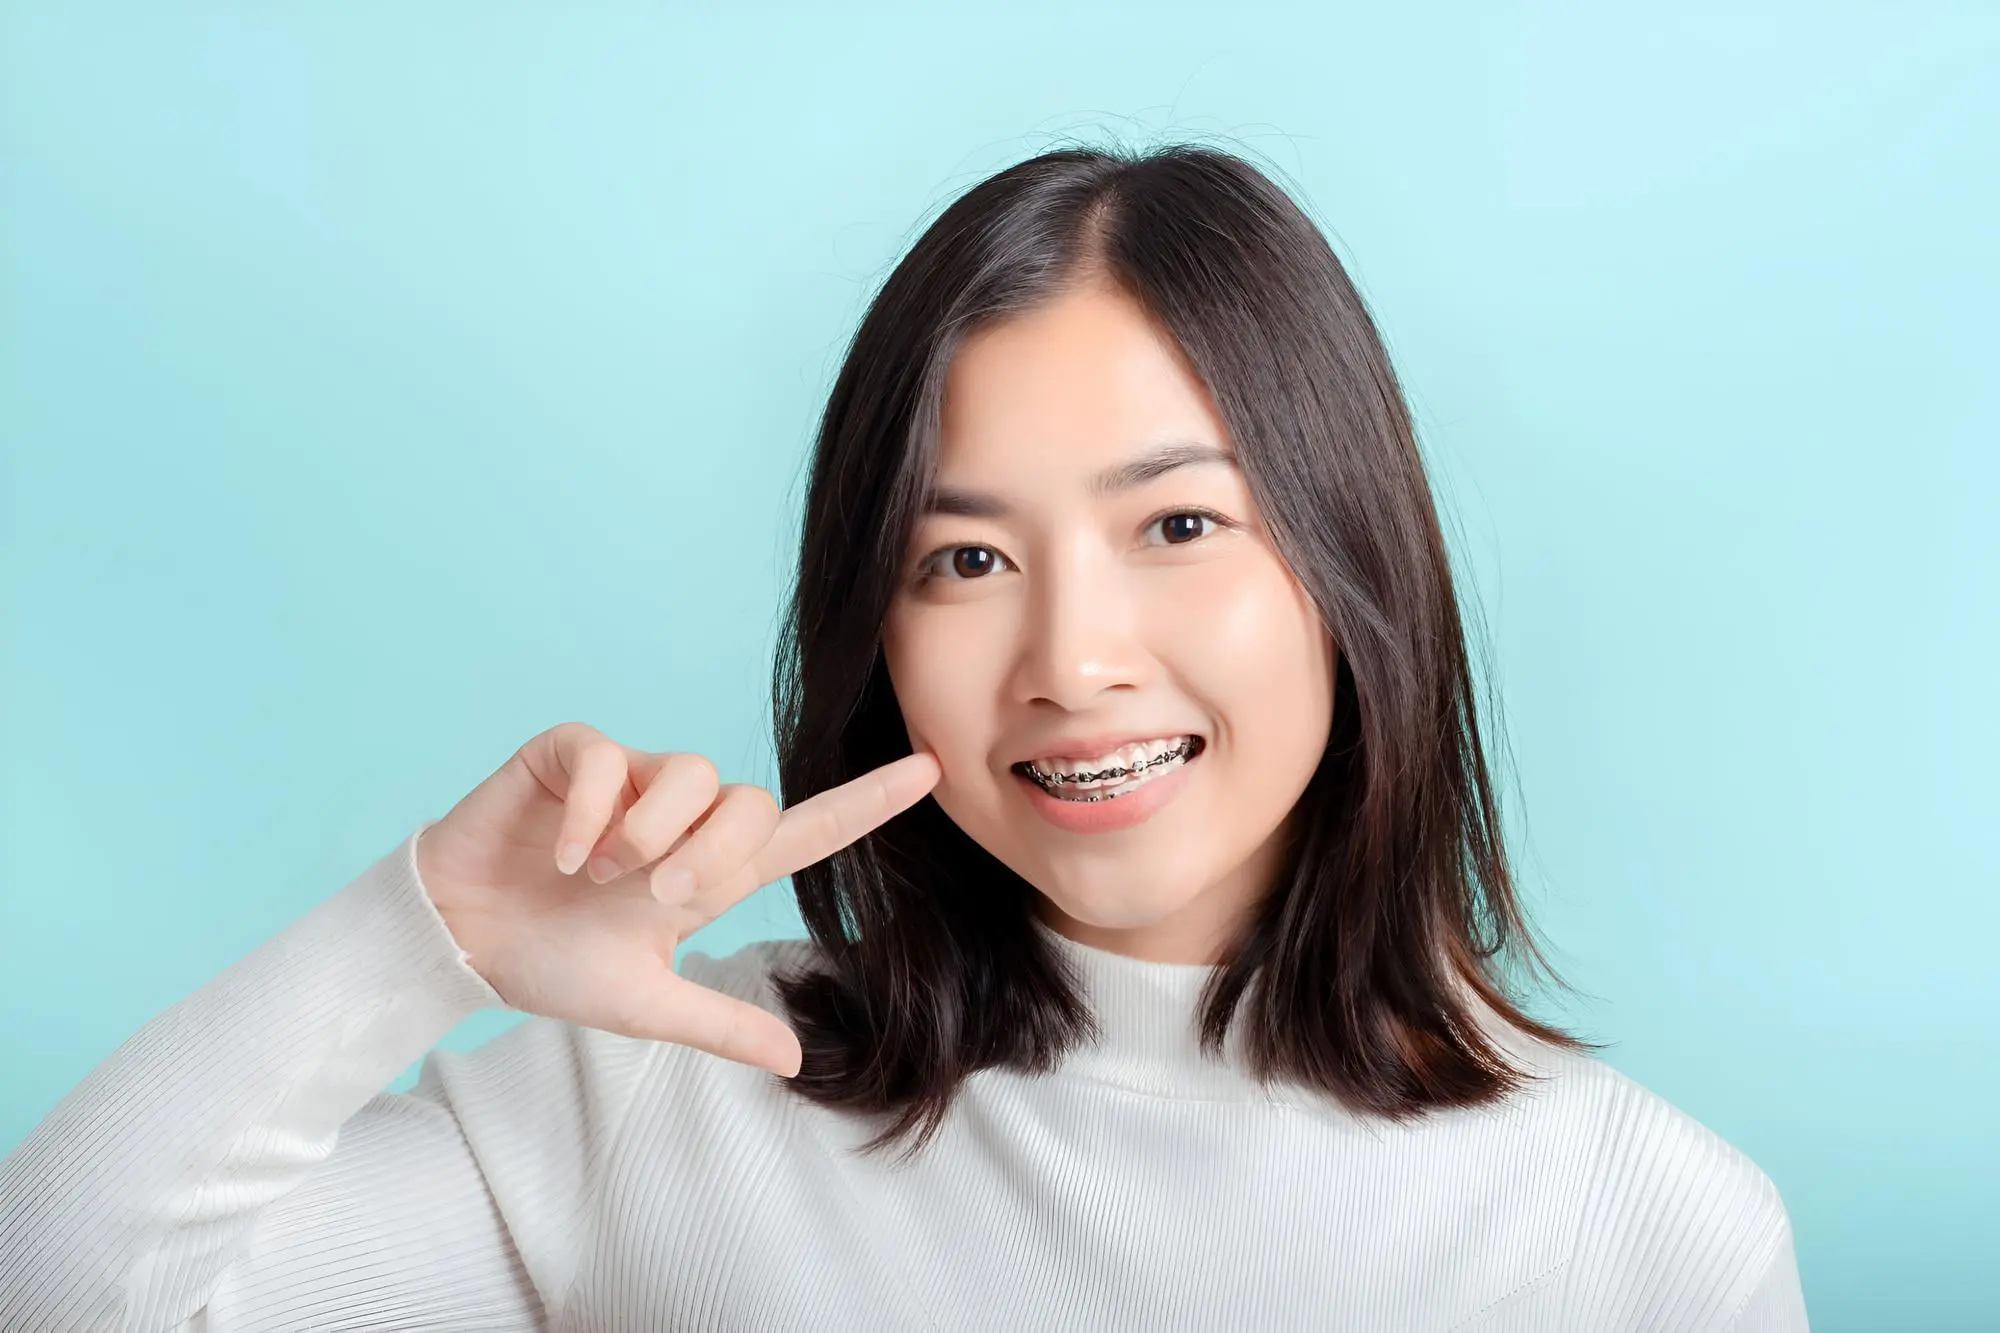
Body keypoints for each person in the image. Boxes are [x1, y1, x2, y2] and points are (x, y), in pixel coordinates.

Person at [0, 143, 1809, 1331]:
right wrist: (419, 943)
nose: (1073, 658)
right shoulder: (668, 1103)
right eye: (964, 557)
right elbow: (63, 1291)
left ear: (1352, 571)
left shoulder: (1644, 1230)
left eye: (1178, 527)